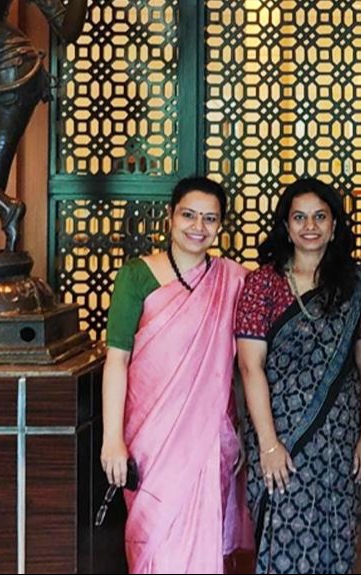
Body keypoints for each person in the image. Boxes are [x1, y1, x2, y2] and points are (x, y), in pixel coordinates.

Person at [99, 176, 250, 574]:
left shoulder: (234, 281)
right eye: (188, 215)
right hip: (150, 441)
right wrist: (112, 439)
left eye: (209, 218)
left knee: (204, 545)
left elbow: (242, 367)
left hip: (210, 439)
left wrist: (241, 433)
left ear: (221, 225)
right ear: (170, 217)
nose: (198, 227)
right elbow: (117, 360)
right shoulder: (136, 276)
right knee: (155, 545)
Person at [235, 177, 361, 574]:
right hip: (280, 434)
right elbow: (250, 366)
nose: (310, 226)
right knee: (281, 535)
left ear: (334, 226)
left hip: (339, 438)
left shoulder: (356, 285)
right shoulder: (262, 283)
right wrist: (268, 444)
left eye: (320, 216)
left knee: (336, 533)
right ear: (286, 226)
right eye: (299, 217)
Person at [0, 0, 87, 251]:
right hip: (12, 65)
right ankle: (6, 207)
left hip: (12, 67)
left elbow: (68, 29)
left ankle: (6, 207)